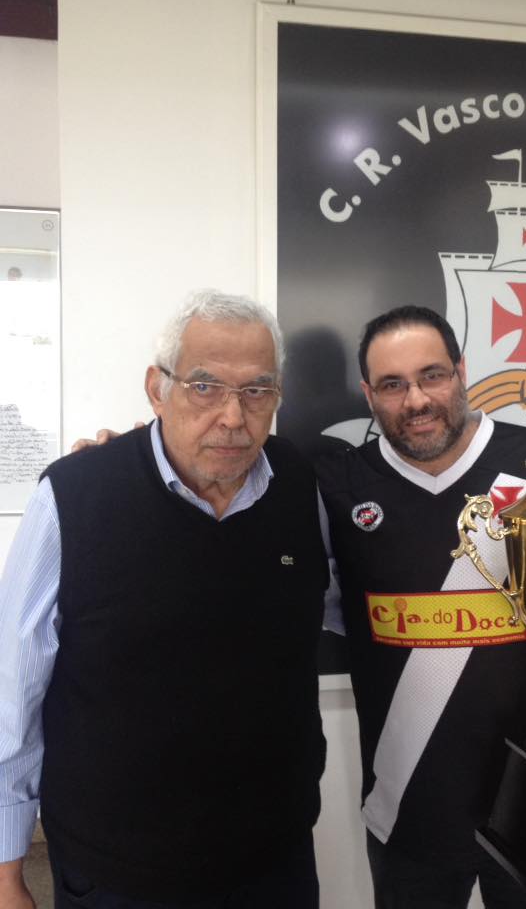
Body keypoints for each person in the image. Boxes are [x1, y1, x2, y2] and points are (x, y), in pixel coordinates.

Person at [0, 289, 328, 909]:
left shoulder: (297, 483)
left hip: (275, 862)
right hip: (118, 874)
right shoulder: (74, 497)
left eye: (257, 390)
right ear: (158, 388)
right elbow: (12, 692)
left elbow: (330, 605)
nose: (232, 416)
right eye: (204, 387)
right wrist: (5, 872)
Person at [315, 305, 526, 909]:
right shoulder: (339, 484)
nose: (416, 400)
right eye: (392, 384)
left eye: (432, 375)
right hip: (407, 809)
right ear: (368, 394)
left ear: (461, 372)